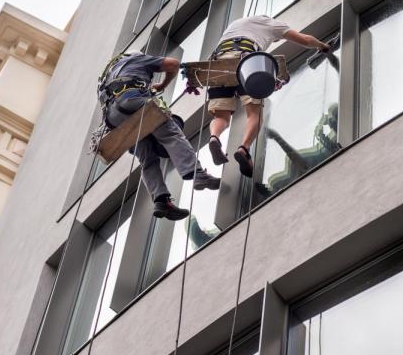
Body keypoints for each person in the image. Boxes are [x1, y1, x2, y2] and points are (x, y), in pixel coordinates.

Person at [204, 15, 332, 177]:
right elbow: (305, 40)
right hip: (245, 62)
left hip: (217, 65)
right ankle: (243, 149)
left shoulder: (236, 24)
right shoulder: (271, 23)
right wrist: (323, 46)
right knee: (254, 114)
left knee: (221, 117)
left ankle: (214, 137)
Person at [99, 51, 220, 221]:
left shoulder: (109, 75)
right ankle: (197, 174)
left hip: (114, 117)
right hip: (132, 100)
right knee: (171, 134)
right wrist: (162, 85)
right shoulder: (138, 58)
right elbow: (173, 64)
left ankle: (161, 201)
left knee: (146, 157)